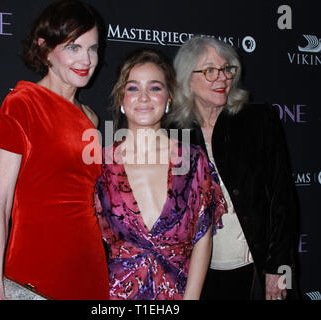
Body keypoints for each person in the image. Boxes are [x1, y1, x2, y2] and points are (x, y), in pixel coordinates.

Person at [0, 0, 108, 300]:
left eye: (93, 48)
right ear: (45, 48)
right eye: (74, 47)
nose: (87, 60)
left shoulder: (91, 118)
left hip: (90, 269)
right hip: (34, 276)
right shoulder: (22, 104)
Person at [169, 36, 298, 300]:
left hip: (255, 268)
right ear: (186, 79)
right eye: (209, 71)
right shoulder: (174, 134)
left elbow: (282, 198)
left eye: (227, 69)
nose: (222, 78)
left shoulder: (258, 120)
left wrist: (278, 268)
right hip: (199, 276)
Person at [94, 48, 226, 300]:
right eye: (133, 88)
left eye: (155, 88)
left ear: (168, 99)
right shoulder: (101, 164)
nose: (143, 97)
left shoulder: (193, 160)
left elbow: (203, 236)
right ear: (121, 99)